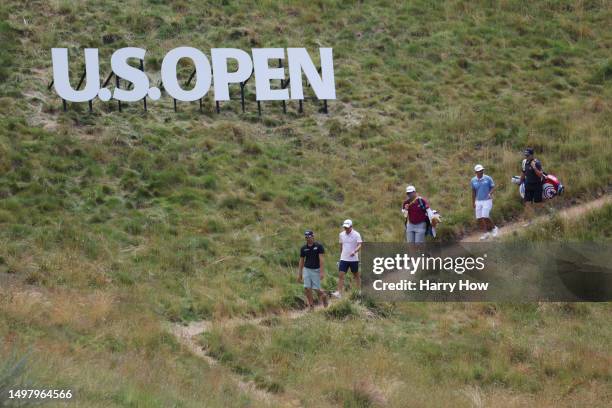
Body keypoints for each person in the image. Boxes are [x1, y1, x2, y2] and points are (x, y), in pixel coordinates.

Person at [297, 230, 328, 310]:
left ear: (313, 237)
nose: (307, 238)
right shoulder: (303, 248)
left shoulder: (319, 246)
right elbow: (301, 261)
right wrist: (300, 274)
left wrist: (322, 272)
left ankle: (324, 296)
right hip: (307, 269)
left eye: (309, 237)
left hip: (316, 270)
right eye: (306, 237)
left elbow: (321, 260)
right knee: (307, 288)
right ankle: (311, 306)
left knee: (316, 288)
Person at [332, 219, 362, 298]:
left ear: (351, 227)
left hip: (354, 259)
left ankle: (359, 291)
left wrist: (354, 251)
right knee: (341, 275)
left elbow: (360, 245)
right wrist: (340, 258)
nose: (346, 229)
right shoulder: (341, 234)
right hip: (344, 259)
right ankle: (339, 292)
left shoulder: (356, 234)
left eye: (347, 227)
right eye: (344, 227)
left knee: (356, 275)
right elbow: (341, 246)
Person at [471, 164, 499, 240]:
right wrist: (473, 202)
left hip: (487, 200)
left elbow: (493, 187)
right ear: (475, 172)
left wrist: (490, 193)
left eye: (481, 170)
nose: (481, 172)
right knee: (479, 218)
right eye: (479, 171)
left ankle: (495, 229)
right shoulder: (473, 180)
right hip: (478, 201)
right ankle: (486, 233)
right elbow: (473, 192)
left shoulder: (488, 178)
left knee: (485, 216)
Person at [520, 147, 544, 226]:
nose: (526, 157)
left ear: (532, 155)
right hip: (528, 185)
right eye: (525, 155)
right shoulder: (524, 162)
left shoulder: (537, 162)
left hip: (537, 185)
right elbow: (523, 172)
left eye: (528, 155)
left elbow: (540, 175)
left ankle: (541, 219)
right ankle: (530, 222)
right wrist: (520, 181)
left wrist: (534, 167)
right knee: (527, 204)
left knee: (538, 204)